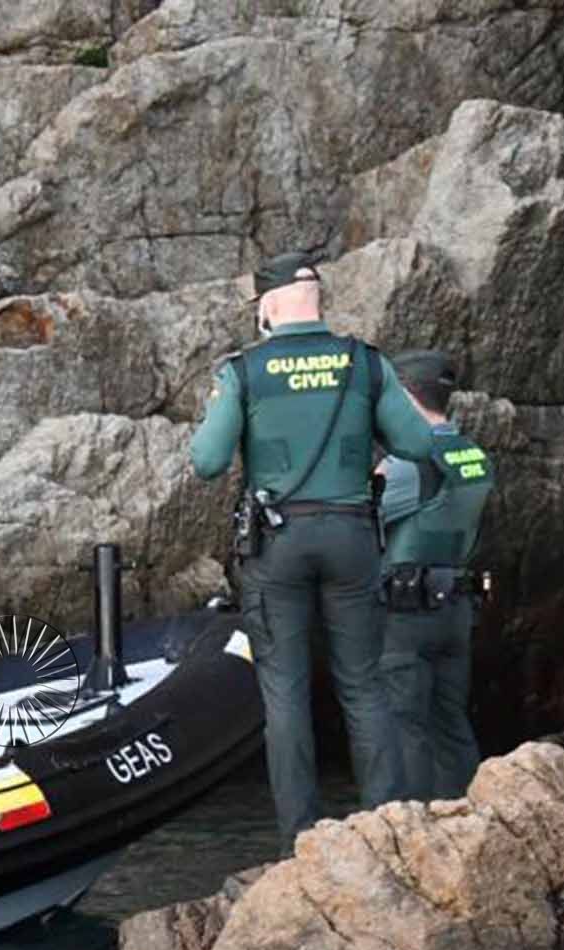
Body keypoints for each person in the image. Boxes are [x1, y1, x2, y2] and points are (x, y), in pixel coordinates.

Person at [188, 251, 437, 851]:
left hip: (278, 543)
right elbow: (418, 440)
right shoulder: (364, 362)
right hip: (353, 535)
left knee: (285, 693)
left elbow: (207, 462)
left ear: (269, 306)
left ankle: (301, 840)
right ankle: (388, 826)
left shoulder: (244, 371)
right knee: (364, 685)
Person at [376, 350, 494, 801]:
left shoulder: (409, 463)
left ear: (405, 396)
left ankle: (410, 834)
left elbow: (358, 521)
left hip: (406, 615)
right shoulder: (474, 455)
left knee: (404, 724)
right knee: (451, 723)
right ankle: (466, 822)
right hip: (456, 608)